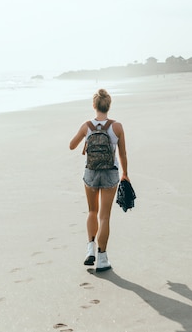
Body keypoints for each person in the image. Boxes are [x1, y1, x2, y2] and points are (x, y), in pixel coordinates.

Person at [69, 89, 129, 272]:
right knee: (104, 216)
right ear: (108, 106)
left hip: (91, 172)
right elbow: (122, 153)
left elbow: (72, 145)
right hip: (111, 173)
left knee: (92, 211)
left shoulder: (86, 126)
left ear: (94, 106)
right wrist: (125, 174)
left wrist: (86, 139)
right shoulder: (117, 127)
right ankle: (102, 258)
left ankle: (90, 249)